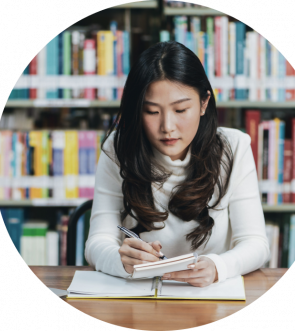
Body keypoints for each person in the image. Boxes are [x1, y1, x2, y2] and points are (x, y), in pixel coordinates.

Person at [85, 41, 270, 287]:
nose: (167, 127)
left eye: (181, 109)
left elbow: (256, 243)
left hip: (209, 299)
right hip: (138, 303)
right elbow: (97, 242)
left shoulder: (234, 147)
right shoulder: (118, 149)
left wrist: (218, 267)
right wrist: (121, 261)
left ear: (204, 103)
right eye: (152, 112)